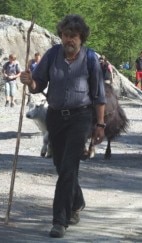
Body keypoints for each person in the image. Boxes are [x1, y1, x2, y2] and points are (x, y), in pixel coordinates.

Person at [20, 14, 106, 238]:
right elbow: (38, 85)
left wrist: (100, 124)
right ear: (61, 35)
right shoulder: (51, 55)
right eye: (66, 35)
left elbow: (99, 95)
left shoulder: (90, 59)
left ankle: (60, 220)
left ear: (81, 38)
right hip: (55, 117)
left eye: (74, 37)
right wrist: (30, 82)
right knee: (60, 165)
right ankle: (77, 201)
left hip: (81, 117)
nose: (69, 40)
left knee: (69, 167)